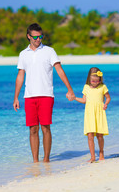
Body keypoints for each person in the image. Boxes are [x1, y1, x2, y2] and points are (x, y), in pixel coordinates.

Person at [13, 23, 75, 163]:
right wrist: (16, 97)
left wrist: (69, 89)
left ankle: (46, 160)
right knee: (32, 129)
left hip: (46, 95)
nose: (38, 39)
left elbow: (59, 69)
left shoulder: (49, 51)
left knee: (45, 127)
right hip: (29, 96)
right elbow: (20, 76)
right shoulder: (23, 54)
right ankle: (35, 161)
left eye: (40, 36)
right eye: (35, 37)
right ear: (28, 36)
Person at [74, 67, 111, 162]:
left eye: (97, 81)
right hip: (89, 113)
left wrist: (106, 104)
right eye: (93, 81)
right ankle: (92, 156)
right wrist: (74, 98)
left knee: (99, 135)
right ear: (89, 79)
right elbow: (84, 100)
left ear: (100, 80)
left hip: (99, 112)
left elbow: (108, 98)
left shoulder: (103, 87)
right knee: (90, 135)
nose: (95, 83)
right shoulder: (86, 87)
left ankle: (101, 152)